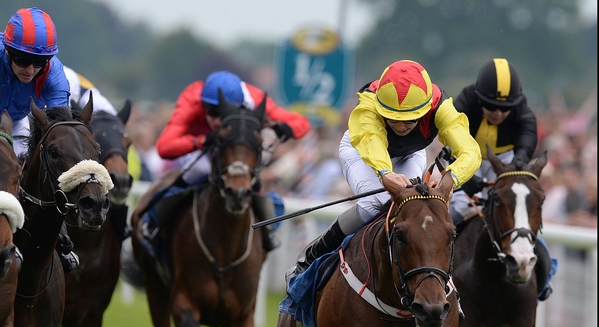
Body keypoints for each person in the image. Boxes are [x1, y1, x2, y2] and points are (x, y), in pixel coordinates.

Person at [286, 59, 481, 280]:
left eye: (408, 120)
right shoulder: (369, 102)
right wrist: (385, 174)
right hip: (362, 151)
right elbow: (372, 141)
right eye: (392, 118)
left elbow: (470, 152)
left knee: (413, 204)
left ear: (425, 109)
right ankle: (311, 256)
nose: (399, 126)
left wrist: (450, 180)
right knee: (375, 203)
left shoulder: (442, 107)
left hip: (410, 153)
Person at [142, 70, 311, 253]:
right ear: (203, 103)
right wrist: (203, 140)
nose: (216, 120)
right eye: (211, 112)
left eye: (221, 113)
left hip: (234, 148)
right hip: (202, 145)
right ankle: (154, 225)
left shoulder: (255, 99)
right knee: (197, 171)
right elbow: (164, 147)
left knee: (250, 178)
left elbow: (301, 123)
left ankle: (266, 232)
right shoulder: (192, 98)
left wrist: (283, 129)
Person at [0, 7, 83, 272]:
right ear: (8, 51)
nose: (30, 69)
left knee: (29, 164)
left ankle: (50, 230)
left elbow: (60, 132)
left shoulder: (54, 75)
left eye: (38, 62)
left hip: (16, 117)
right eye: (22, 59)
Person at [452, 57, 555, 300]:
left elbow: (523, 153)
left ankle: (543, 274)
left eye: (504, 108)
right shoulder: (463, 103)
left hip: (505, 164)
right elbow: (451, 143)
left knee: (516, 212)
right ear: (479, 99)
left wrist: (510, 174)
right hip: (467, 158)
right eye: (491, 106)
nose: (498, 113)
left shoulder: (524, 113)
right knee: (457, 211)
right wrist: (468, 183)